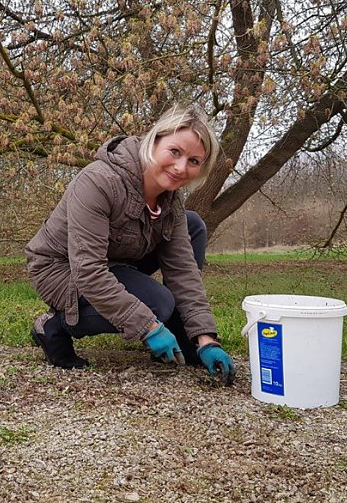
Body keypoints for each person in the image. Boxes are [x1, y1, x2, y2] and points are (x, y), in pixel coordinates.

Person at [24, 104, 235, 384]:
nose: (181, 167)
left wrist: (205, 339)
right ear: (154, 140)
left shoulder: (171, 202)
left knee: (193, 224)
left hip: (116, 258)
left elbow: (183, 270)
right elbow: (89, 270)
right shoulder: (99, 182)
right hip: (60, 268)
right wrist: (148, 326)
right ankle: (54, 326)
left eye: (194, 161)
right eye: (175, 151)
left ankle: (180, 335)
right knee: (159, 303)